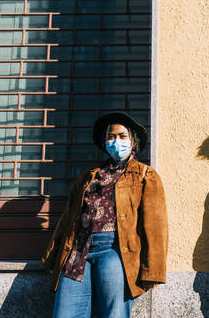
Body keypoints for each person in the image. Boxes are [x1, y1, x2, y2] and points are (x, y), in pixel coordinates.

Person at [41, 112, 168, 318]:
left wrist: (152, 271)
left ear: (133, 141)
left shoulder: (146, 175)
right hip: (78, 250)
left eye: (122, 136)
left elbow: (156, 225)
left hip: (115, 250)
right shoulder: (89, 176)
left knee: (114, 313)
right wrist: (53, 258)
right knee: (64, 312)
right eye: (111, 136)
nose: (115, 141)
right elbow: (68, 219)